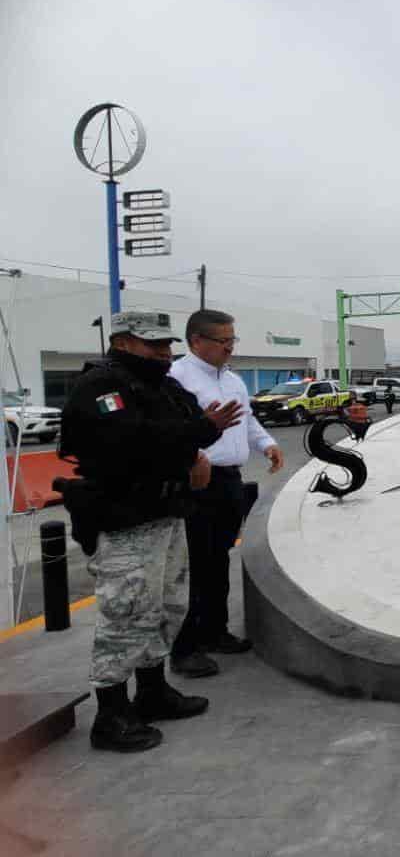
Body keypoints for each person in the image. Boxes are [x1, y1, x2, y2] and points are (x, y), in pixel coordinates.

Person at [58, 309, 243, 751]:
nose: (164, 353)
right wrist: (199, 431)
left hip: (167, 510)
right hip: (125, 516)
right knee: (126, 613)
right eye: (154, 345)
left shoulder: (162, 384)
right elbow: (131, 439)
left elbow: (185, 427)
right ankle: (111, 714)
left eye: (166, 345)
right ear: (123, 342)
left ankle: (153, 690)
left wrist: (197, 441)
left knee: (166, 606)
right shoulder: (102, 386)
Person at [168, 309, 283, 678]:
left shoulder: (232, 381)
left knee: (218, 560)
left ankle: (214, 632)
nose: (230, 348)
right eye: (223, 341)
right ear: (197, 341)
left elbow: (248, 419)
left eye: (233, 340)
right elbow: (171, 430)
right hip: (195, 483)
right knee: (193, 566)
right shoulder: (177, 379)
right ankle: (184, 648)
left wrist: (266, 444)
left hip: (229, 481)